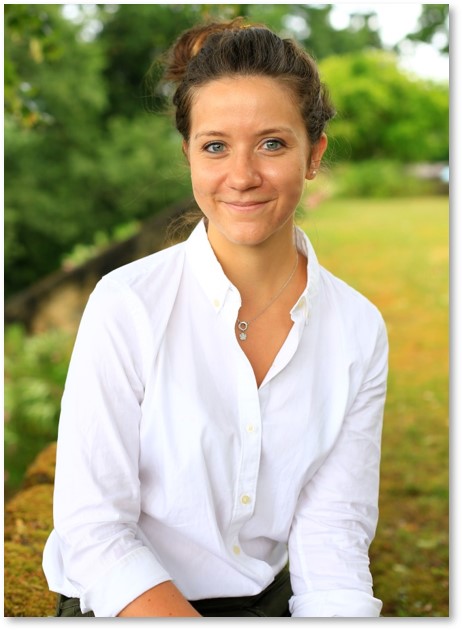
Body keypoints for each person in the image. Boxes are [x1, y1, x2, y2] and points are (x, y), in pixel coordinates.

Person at [43, 18, 388, 618]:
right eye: (215, 145)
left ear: (315, 154)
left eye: (273, 143)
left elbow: (332, 533)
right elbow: (95, 530)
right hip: (130, 603)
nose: (242, 175)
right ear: (189, 155)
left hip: (266, 603)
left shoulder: (359, 329)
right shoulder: (127, 304)